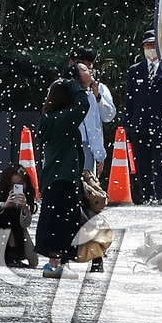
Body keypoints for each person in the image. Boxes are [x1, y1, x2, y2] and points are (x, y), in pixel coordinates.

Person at [35, 74, 90, 278]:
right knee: (63, 220)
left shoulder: (48, 118)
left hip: (54, 177)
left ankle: (57, 262)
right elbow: (83, 105)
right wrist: (72, 83)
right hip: (64, 177)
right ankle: (55, 263)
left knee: (54, 218)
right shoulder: (63, 118)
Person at [125, 30, 162, 204]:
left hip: (161, 124)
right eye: (147, 46)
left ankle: (161, 196)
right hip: (139, 125)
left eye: (153, 46)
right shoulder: (135, 70)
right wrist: (127, 124)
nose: (150, 49)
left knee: (160, 161)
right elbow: (129, 100)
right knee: (142, 162)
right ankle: (147, 195)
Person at [69, 48, 116, 175]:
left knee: (90, 188)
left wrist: (98, 98)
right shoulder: (63, 89)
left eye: (90, 65)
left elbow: (108, 116)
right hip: (69, 142)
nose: (90, 70)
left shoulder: (99, 88)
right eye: (84, 66)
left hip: (90, 146)